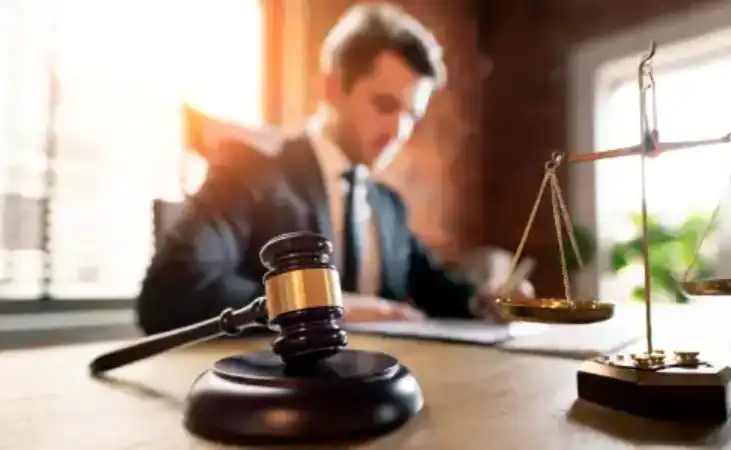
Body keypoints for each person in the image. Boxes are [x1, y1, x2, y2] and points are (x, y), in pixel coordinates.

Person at [136, 3, 533, 334]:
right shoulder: (253, 171)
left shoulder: (388, 206)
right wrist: (325, 304)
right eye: (384, 105)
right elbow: (170, 292)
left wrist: (484, 300)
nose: (398, 131)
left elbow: (434, 288)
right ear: (331, 88)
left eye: (411, 116)